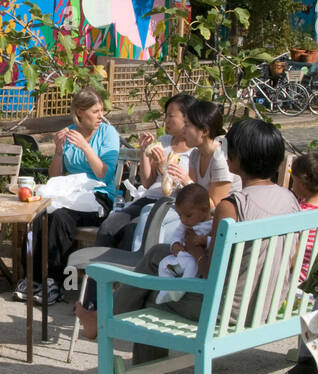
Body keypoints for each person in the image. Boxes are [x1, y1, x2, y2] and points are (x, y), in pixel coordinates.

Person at [117, 118, 299, 374]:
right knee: (156, 255)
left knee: (156, 297)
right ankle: (110, 316)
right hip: (269, 302)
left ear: (236, 158)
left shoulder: (233, 206)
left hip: (229, 311)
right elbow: (289, 262)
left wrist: (196, 249)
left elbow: (209, 271)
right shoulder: (289, 199)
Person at [18, 86, 119, 305]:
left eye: (101, 110)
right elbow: (55, 176)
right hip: (70, 195)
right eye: (95, 111)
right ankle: (33, 278)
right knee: (39, 215)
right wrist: (58, 151)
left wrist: (85, 147)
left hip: (97, 197)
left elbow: (105, 173)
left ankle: (53, 281)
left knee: (61, 218)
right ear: (80, 112)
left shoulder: (108, 134)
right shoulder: (69, 132)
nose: (101, 116)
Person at [92, 93, 197, 254]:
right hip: (149, 198)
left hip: (171, 204)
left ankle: (125, 277)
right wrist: (144, 152)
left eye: (171, 116)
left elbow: (188, 188)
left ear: (187, 118)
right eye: (165, 116)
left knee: (131, 230)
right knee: (108, 227)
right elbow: (148, 182)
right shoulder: (164, 141)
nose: (166, 120)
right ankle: (98, 277)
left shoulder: (195, 152)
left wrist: (164, 166)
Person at [152, 184, 214, 305]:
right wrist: (175, 244)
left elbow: (215, 241)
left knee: (191, 264)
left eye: (188, 215)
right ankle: (165, 291)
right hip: (181, 259)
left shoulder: (212, 225)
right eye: (180, 215)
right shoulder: (185, 224)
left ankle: (180, 290)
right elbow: (176, 235)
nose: (183, 220)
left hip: (196, 262)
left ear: (205, 210)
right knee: (163, 263)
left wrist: (205, 240)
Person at [182, 99, 240, 211]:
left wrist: (187, 183)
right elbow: (193, 197)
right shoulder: (195, 154)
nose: (183, 130)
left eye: (187, 126)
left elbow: (214, 205)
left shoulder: (220, 158)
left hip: (221, 219)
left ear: (204, 131)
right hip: (199, 214)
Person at [289, 153, 318, 280]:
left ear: (302, 182)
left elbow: (293, 256)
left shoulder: (299, 215)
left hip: (298, 279)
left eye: (294, 180)